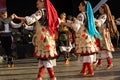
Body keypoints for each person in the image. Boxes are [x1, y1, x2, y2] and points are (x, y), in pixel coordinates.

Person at [14, 0, 59, 80]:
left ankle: (52, 77)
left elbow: (31, 19)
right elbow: (57, 22)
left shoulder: (40, 12)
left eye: (38, 4)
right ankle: (39, 76)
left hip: (43, 37)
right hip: (48, 36)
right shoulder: (51, 12)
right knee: (43, 57)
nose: (37, 6)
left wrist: (17, 17)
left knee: (45, 57)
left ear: (43, 3)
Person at [62, 1, 101, 76]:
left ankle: (90, 71)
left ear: (83, 7)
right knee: (85, 54)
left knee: (86, 54)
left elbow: (76, 26)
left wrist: (65, 23)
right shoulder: (89, 15)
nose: (78, 7)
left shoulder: (80, 15)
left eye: (80, 5)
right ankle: (83, 71)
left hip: (83, 37)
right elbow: (81, 24)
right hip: (88, 37)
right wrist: (67, 22)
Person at [0, 0, 22, 68]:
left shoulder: (9, 20)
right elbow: (5, 21)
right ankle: (6, 58)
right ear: (1, 15)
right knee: (4, 49)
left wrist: (21, 23)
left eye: (6, 14)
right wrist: (11, 17)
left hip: (8, 36)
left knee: (9, 49)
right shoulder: (1, 20)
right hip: (2, 36)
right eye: (3, 14)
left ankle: (10, 61)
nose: (5, 15)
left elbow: (15, 25)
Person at [95, 3, 115, 70]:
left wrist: (95, 20)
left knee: (105, 48)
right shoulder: (101, 15)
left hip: (104, 34)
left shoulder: (104, 16)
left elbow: (100, 22)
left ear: (103, 9)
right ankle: (99, 63)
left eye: (100, 8)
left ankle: (110, 63)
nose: (99, 10)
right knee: (100, 49)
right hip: (100, 34)